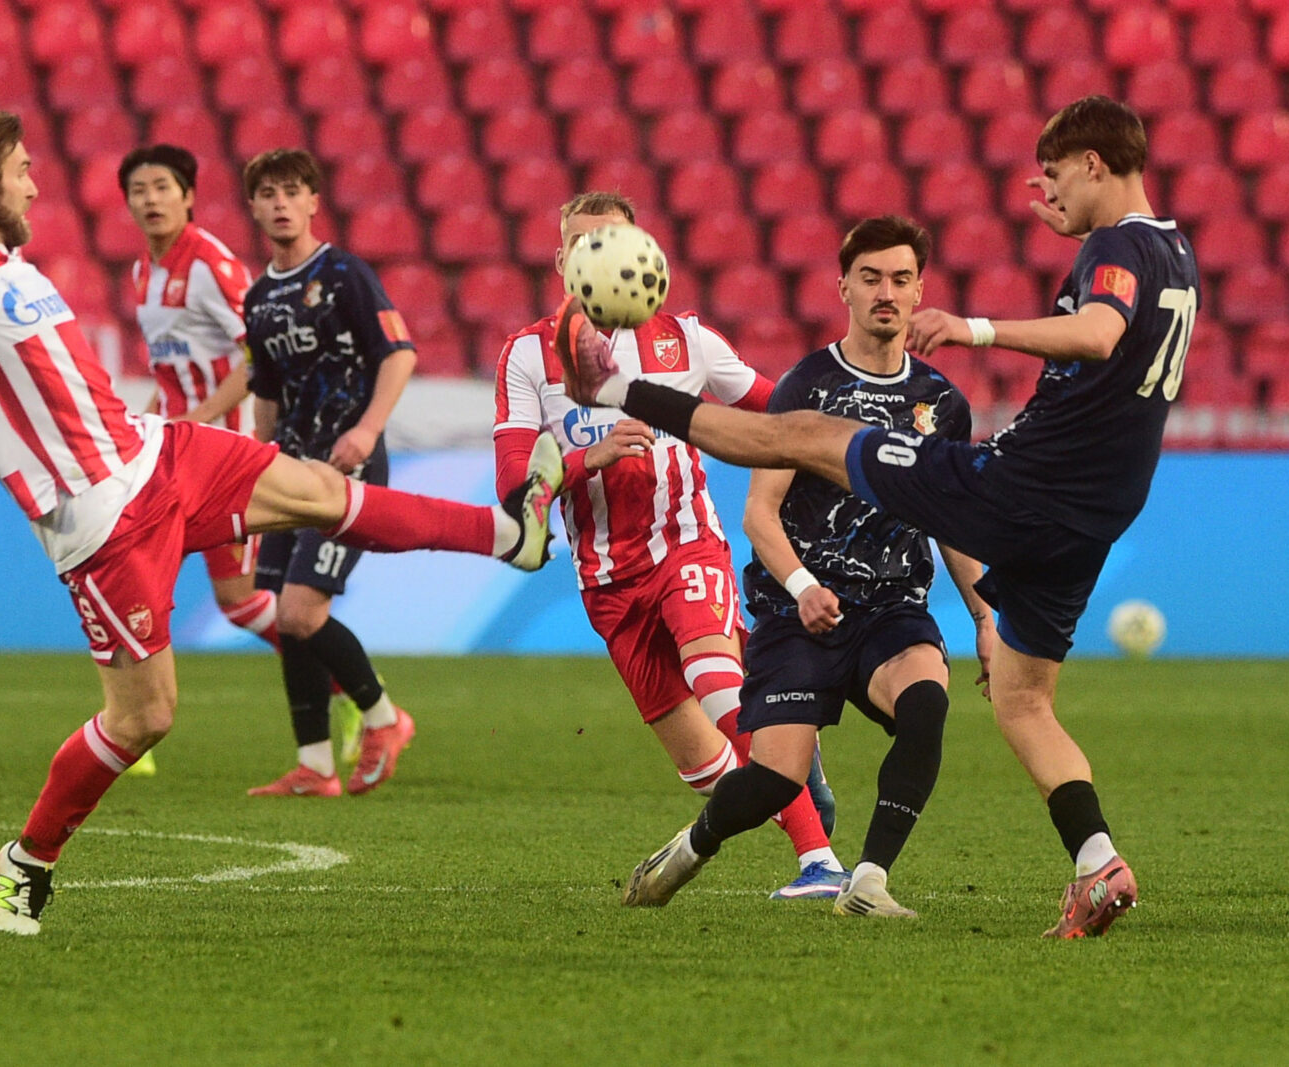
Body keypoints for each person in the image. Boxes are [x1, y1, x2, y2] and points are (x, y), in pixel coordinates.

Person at [0, 107, 562, 935]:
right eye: (21, 168)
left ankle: (510, 534)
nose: (34, 179)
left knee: (317, 491)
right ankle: (26, 861)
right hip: (100, 525)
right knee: (145, 718)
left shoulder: (3, 262)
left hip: (160, 453)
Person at [558, 96, 1194, 938]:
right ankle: (1096, 861)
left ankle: (607, 386)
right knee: (1022, 701)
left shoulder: (1110, 250)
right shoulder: (1172, 252)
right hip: (1094, 515)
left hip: (1022, 484)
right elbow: (1126, 312)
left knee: (810, 436)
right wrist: (984, 614)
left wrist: (973, 327)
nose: (1051, 197)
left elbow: (1102, 332)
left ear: (1091, 163)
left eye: (1057, 178)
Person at [621, 216, 995, 918]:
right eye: (872, 278)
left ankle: (869, 881)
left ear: (921, 291)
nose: (887, 292)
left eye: (901, 279)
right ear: (843, 287)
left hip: (892, 609)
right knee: (771, 781)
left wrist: (985, 615)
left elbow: (953, 519)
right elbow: (761, 512)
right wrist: (802, 586)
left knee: (926, 706)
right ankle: (687, 850)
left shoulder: (942, 404)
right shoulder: (808, 387)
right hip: (802, 610)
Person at [495, 192, 845, 901]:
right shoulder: (527, 355)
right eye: (581, 245)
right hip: (606, 584)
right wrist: (583, 461)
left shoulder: (688, 341)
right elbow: (512, 486)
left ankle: (820, 861)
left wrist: (849, 441)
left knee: (719, 690)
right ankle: (790, 761)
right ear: (561, 261)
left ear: (643, 259)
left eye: (611, 242)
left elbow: (777, 412)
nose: (596, 257)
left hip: (688, 548)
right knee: (709, 766)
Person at [238, 148, 421, 800]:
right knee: (285, 618)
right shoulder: (258, 298)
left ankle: (384, 717)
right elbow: (266, 393)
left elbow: (397, 354)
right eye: (268, 192)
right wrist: (253, 470)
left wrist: (367, 429)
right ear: (254, 206)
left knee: (301, 610)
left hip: (348, 466)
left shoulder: (345, 274)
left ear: (314, 200)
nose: (281, 202)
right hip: (287, 470)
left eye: (292, 190)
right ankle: (315, 765)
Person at [117, 143, 260, 778]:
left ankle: (349, 685)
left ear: (189, 196)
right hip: (170, 451)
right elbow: (170, 370)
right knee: (126, 573)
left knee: (242, 603)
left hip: (224, 453)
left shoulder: (211, 264)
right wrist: (146, 423)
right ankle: (127, 722)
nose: (150, 199)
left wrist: (195, 424)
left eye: (162, 187)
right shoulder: (141, 273)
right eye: (139, 189)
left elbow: (260, 358)